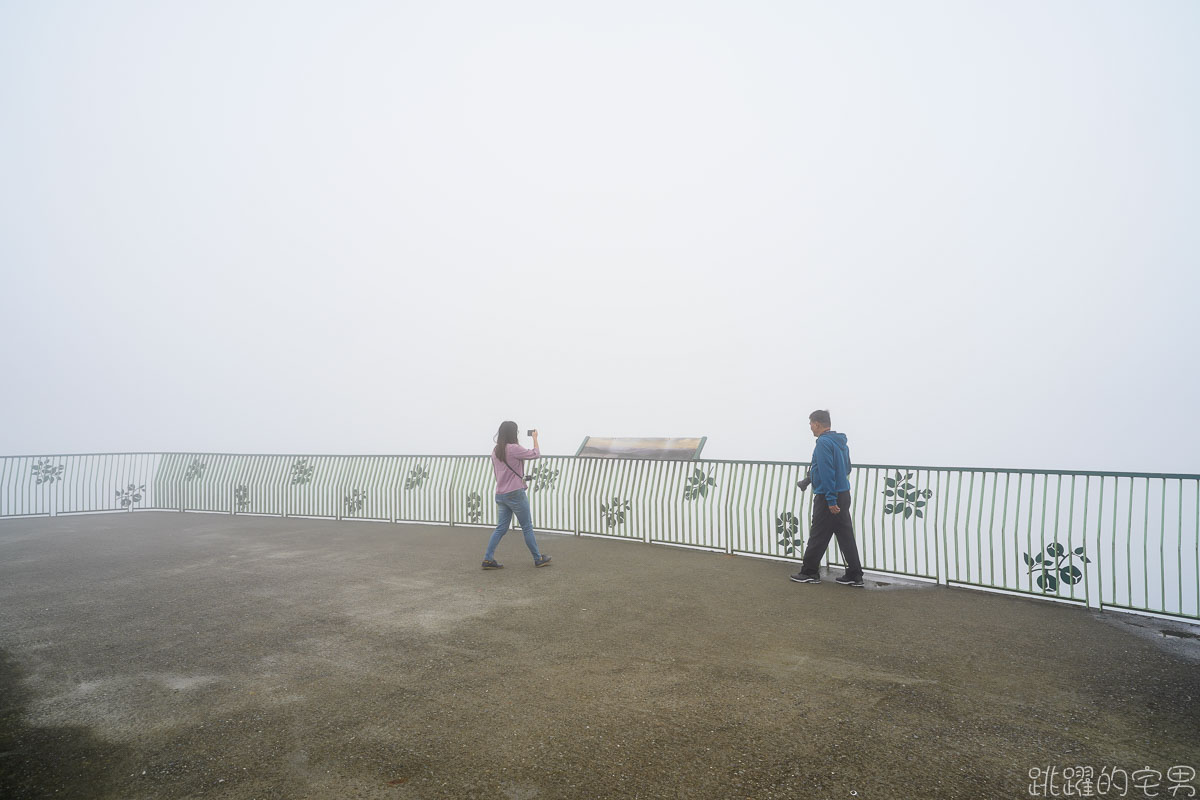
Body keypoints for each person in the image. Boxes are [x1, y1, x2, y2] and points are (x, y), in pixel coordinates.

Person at [790, 410, 865, 586]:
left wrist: (831, 499)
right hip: (843, 493)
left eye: (810, 423)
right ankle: (855, 575)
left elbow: (826, 471)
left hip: (827, 496)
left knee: (818, 534)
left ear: (817, 423)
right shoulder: (841, 442)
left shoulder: (823, 443)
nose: (810, 427)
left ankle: (809, 572)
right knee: (845, 536)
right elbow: (846, 468)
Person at [482, 421, 552, 569]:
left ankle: (488, 559)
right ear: (513, 433)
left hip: (500, 493)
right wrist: (535, 437)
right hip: (515, 493)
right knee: (527, 526)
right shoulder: (513, 448)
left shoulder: (495, 450)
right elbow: (535, 454)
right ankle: (538, 558)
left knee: (501, 528)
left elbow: (497, 473)